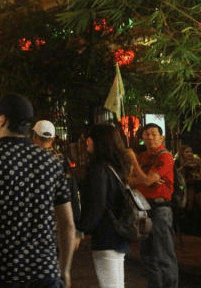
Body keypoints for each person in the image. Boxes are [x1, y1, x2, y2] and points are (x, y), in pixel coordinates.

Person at [0, 94, 75, 288]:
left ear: (2, 120)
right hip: (44, 271)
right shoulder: (51, 162)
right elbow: (67, 224)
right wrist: (64, 269)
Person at [75, 123, 132, 288]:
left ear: (99, 141)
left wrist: (80, 229)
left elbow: (95, 207)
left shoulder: (98, 170)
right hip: (118, 236)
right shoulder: (115, 168)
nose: (86, 142)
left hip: (106, 237)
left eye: (89, 138)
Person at [129, 123, 179, 288]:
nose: (149, 137)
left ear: (161, 137)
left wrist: (135, 164)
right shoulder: (143, 157)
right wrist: (145, 179)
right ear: (142, 137)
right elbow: (129, 181)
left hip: (160, 209)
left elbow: (147, 180)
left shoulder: (164, 157)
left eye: (153, 134)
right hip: (143, 209)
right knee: (147, 253)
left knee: (163, 253)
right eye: (146, 134)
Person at [33, 120, 82, 237]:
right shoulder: (62, 160)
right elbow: (72, 190)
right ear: (53, 139)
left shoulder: (29, 159)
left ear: (34, 136)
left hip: (35, 223)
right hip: (59, 220)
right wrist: (77, 228)